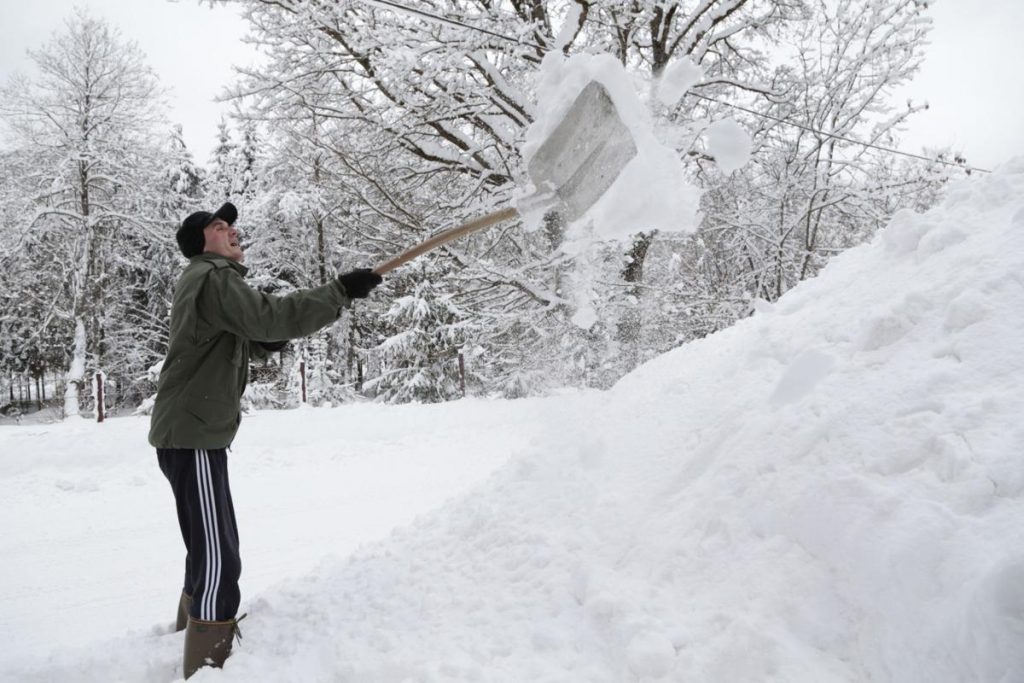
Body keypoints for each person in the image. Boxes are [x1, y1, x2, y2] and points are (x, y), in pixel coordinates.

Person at [149, 202, 382, 678]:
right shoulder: (214, 277)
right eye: (219, 226)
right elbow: (270, 318)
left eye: (232, 225)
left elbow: (249, 335)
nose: (232, 230)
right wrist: (339, 291)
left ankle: (189, 634)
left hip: (191, 431)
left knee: (207, 542)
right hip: (192, 434)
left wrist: (266, 339)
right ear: (201, 243)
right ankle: (209, 661)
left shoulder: (208, 280)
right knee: (218, 551)